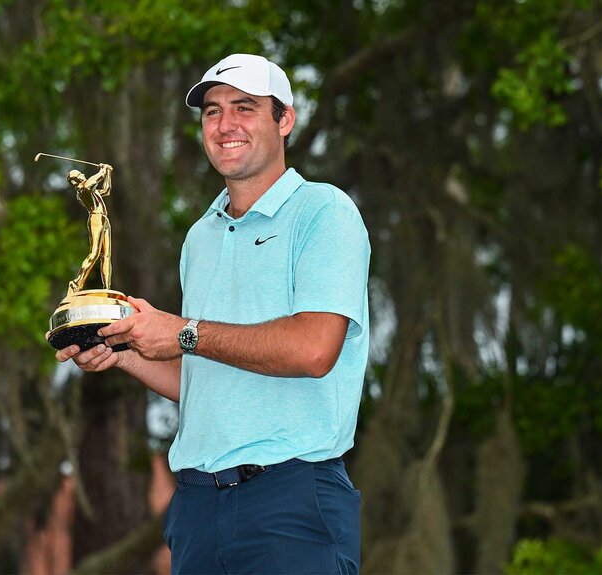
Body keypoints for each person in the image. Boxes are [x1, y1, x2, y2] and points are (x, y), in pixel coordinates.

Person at [55, 53, 370, 573]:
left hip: (290, 499)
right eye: (212, 111)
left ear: (284, 119)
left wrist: (181, 332)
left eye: (245, 108)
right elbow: (205, 378)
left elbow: (314, 350)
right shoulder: (200, 236)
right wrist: (124, 353)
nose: (226, 125)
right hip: (198, 507)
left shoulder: (325, 212)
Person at [66, 163, 113, 293]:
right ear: (75, 181)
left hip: (104, 218)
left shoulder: (90, 189)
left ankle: (107, 288)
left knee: (107, 255)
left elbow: (106, 190)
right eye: (79, 175)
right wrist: (103, 169)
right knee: (94, 253)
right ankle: (76, 284)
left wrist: (108, 173)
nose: (83, 174)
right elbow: (98, 177)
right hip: (96, 218)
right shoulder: (84, 190)